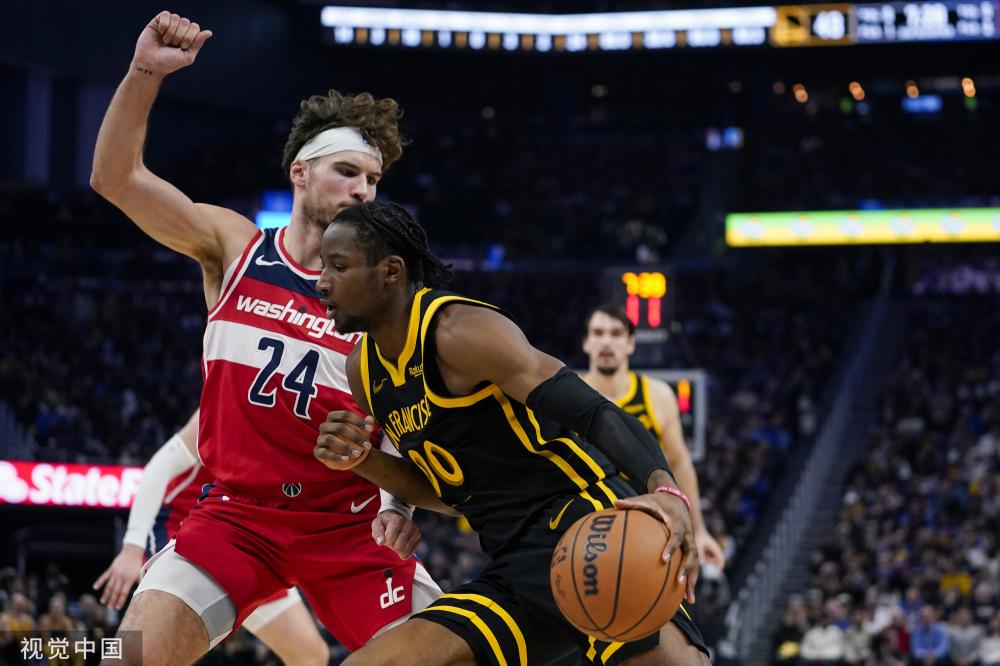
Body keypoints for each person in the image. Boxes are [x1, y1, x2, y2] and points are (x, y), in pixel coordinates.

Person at [90, 12, 440, 664]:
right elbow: (116, 178)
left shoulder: (385, 296)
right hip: (237, 517)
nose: (363, 191)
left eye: (372, 181)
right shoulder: (236, 247)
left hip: (347, 525)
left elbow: (404, 419)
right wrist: (144, 73)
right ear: (300, 172)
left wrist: (399, 504)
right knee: (126, 657)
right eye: (347, 172)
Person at [314, 201, 709, 665]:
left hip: (585, 524)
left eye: (338, 266)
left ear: (391, 272)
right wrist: (363, 460)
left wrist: (665, 489)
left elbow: (594, 413)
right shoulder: (363, 372)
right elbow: (450, 492)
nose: (322, 282)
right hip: (512, 565)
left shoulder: (458, 332)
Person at [92, 410, 330, 665]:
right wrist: (132, 548)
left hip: (246, 532)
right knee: (149, 654)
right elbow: (162, 465)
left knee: (311, 655)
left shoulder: (309, 409)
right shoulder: (233, 398)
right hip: (182, 526)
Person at [581, 304, 727, 572]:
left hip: (648, 533)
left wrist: (698, 530)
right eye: (598, 333)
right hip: (587, 532)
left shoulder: (657, 395)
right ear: (586, 343)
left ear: (630, 343)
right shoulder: (571, 397)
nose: (606, 342)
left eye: (616, 334)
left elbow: (679, 463)